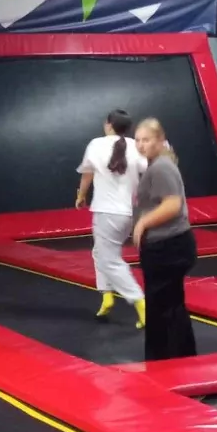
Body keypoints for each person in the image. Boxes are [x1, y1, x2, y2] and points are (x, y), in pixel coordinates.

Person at [132, 118, 197, 361]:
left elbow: (172, 205)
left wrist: (143, 223)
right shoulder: (158, 165)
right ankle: (177, 359)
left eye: (146, 140)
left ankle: (169, 362)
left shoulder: (161, 167)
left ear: (160, 140)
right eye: (138, 140)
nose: (141, 145)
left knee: (163, 308)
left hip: (168, 247)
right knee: (168, 306)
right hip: (168, 245)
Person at [76, 109, 146, 328]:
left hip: (107, 212)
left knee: (111, 260)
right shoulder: (135, 146)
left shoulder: (96, 144)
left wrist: (80, 196)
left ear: (108, 124)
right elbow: (148, 169)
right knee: (100, 253)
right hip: (128, 213)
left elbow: (87, 174)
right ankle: (106, 295)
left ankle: (140, 303)